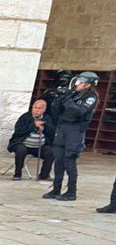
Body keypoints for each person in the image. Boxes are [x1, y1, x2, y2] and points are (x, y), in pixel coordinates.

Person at [43, 71, 99, 201]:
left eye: (81, 82)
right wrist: (58, 99)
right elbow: (57, 112)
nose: (77, 84)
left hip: (75, 130)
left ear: (88, 84)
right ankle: (56, 189)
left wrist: (67, 99)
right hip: (63, 127)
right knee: (59, 159)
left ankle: (71, 191)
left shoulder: (91, 97)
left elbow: (79, 111)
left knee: (69, 160)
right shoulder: (74, 94)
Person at [7, 99, 54, 181]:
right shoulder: (25, 117)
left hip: (39, 146)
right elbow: (19, 131)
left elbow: (53, 131)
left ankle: (44, 175)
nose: (37, 110)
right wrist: (33, 125)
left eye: (40, 108)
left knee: (51, 152)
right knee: (20, 151)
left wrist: (45, 127)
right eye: (35, 108)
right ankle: (17, 174)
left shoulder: (47, 118)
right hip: (24, 144)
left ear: (44, 110)